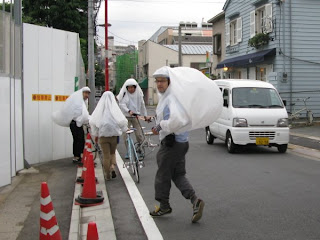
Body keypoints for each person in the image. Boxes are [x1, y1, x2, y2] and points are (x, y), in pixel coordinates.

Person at [149, 66, 223, 223]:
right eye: (157, 81)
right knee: (178, 174)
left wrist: (160, 125)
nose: (159, 84)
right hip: (181, 143)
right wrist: (159, 124)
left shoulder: (171, 99)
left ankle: (164, 206)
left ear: (170, 82)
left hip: (171, 144)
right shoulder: (174, 97)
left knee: (162, 175)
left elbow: (177, 121)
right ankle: (195, 200)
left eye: (162, 81)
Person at [90, 91, 128, 180]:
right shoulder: (114, 109)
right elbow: (122, 121)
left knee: (106, 155)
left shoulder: (100, 110)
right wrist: (124, 129)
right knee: (112, 153)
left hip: (103, 137)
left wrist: (95, 133)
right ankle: (112, 167)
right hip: (113, 137)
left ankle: (107, 174)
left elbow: (93, 121)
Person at [52, 87, 91, 164]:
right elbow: (77, 112)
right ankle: (77, 156)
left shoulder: (81, 101)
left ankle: (78, 156)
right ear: (82, 93)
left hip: (76, 123)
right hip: (74, 123)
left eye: (88, 93)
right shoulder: (78, 101)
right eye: (86, 93)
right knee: (78, 140)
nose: (87, 95)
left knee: (79, 140)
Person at [117, 79, 150, 156]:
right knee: (126, 135)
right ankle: (129, 151)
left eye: (132, 87)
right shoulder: (125, 95)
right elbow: (122, 104)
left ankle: (141, 149)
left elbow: (142, 105)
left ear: (135, 87)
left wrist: (145, 116)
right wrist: (128, 111)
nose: (131, 89)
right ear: (127, 88)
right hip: (126, 117)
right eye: (129, 87)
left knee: (139, 134)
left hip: (135, 116)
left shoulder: (139, 94)